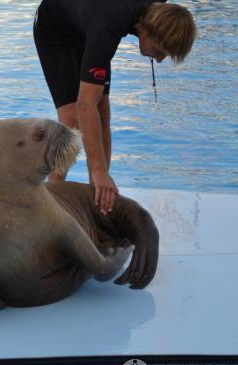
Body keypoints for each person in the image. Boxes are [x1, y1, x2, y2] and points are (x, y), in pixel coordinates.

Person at [33, 0, 196, 215]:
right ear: (146, 30)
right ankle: (50, 200)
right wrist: (100, 170)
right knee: (72, 118)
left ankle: (98, 197)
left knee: (102, 112)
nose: (160, 60)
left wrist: (100, 177)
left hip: (88, 24)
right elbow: (85, 104)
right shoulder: (108, 24)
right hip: (56, 30)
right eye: (158, 51)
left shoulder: (155, 10)